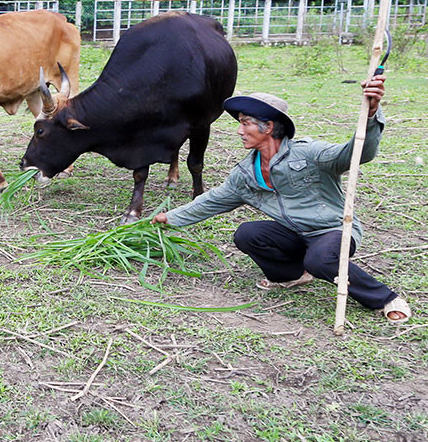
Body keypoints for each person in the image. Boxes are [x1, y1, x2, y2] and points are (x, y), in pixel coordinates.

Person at [152, 75, 410, 323]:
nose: (239, 131)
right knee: (247, 234)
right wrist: (170, 218)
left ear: (269, 126)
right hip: (294, 233)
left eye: (245, 122)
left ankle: (385, 298)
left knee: (320, 260)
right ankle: (294, 274)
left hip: (333, 230)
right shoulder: (244, 174)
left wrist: (371, 114)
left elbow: (356, 153)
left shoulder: (309, 154)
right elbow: (212, 201)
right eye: (239, 123)